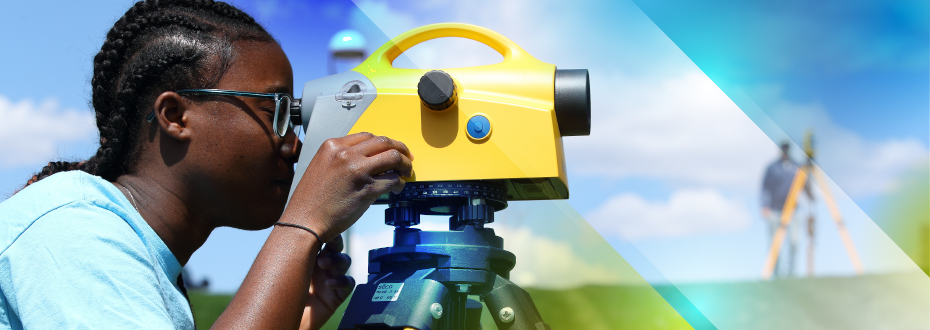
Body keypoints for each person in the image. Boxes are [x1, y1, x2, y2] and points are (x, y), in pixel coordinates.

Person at [0, 1, 413, 329]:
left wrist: (290, 318)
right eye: (277, 110)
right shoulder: (73, 231)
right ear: (176, 116)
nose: (294, 143)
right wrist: (302, 227)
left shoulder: (129, 253)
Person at [761, 141, 801, 278]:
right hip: (775, 210)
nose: (785, 151)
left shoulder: (797, 167)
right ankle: (777, 275)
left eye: (787, 149)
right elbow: (764, 188)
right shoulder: (772, 168)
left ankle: (791, 274)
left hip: (793, 211)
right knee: (775, 243)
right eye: (783, 149)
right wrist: (764, 206)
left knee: (794, 242)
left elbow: (805, 185)